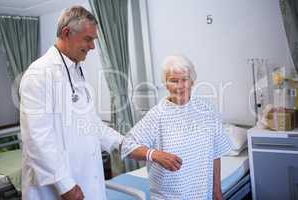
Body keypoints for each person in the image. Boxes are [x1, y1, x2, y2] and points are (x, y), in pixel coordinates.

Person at [19, 6, 123, 200]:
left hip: (85, 179)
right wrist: (65, 185)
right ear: (67, 33)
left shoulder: (76, 71)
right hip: (58, 188)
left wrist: (122, 143)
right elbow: (37, 139)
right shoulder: (39, 74)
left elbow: (91, 124)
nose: (92, 46)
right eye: (88, 39)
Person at [121, 55, 232, 200]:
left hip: (203, 194)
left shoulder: (207, 110)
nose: (180, 86)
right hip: (169, 196)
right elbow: (126, 146)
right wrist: (155, 154)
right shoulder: (157, 115)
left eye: (184, 79)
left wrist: (216, 190)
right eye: (173, 80)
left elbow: (216, 152)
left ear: (192, 81)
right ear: (165, 83)